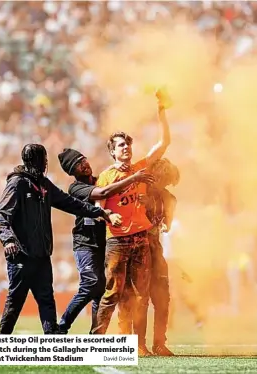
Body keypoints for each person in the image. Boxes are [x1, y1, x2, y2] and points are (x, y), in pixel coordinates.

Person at [0, 143, 120, 335]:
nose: (45, 162)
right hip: (21, 256)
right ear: (35, 160)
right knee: (15, 301)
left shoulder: (45, 185)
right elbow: (1, 215)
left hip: (42, 256)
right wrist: (8, 240)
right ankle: (2, 341)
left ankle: (52, 340)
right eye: (43, 159)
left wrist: (99, 212)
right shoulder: (17, 183)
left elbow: (72, 204)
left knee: (47, 301)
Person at [92, 94, 171, 357]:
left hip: (140, 240)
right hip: (116, 241)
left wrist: (161, 111)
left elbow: (164, 143)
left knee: (141, 297)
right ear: (112, 151)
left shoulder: (140, 167)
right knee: (113, 293)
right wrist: (107, 216)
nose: (125, 148)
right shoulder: (107, 175)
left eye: (127, 144)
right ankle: (98, 343)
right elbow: (99, 201)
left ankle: (139, 346)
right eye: (120, 145)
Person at [57, 148, 154, 334]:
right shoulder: (76, 187)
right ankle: (62, 326)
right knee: (91, 284)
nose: (84, 164)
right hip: (85, 243)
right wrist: (132, 178)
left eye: (83, 159)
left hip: (106, 241)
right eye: (77, 164)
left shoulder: (101, 178)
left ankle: (97, 334)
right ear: (72, 171)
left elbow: (118, 191)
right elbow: (103, 193)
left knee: (102, 290)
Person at [118, 158, 180, 356]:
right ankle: (137, 344)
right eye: (163, 179)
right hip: (135, 250)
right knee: (139, 298)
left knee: (163, 298)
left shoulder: (169, 199)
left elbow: (166, 226)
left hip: (155, 249)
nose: (164, 184)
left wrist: (164, 218)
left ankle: (159, 344)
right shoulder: (137, 192)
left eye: (168, 181)